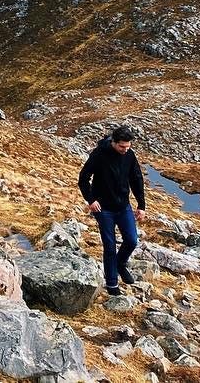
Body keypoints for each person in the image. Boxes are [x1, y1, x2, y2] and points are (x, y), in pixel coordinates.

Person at [77, 124, 146, 295]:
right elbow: (83, 178)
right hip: (103, 208)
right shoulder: (99, 154)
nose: (125, 150)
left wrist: (141, 205)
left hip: (123, 206)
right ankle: (112, 284)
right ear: (114, 142)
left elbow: (136, 179)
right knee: (109, 246)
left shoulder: (129, 155)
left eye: (128, 147)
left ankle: (120, 264)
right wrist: (90, 200)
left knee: (131, 240)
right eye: (122, 146)